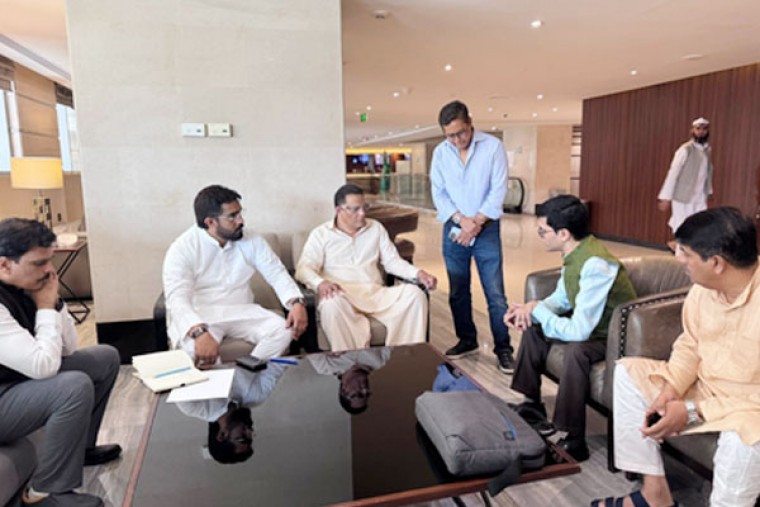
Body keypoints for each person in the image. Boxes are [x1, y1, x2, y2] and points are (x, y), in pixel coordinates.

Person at [594, 207, 760, 507]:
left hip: (749, 409)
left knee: (746, 439)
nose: (679, 259)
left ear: (716, 263)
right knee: (628, 373)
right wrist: (671, 389)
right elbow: (690, 345)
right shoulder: (703, 289)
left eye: (686, 253)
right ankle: (655, 493)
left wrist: (693, 411)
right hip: (705, 388)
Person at [0, 218, 121, 507]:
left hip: (14, 381)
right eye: (39, 263)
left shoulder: (25, 286)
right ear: (4, 265)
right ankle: (44, 493)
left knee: (103, 358)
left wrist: (54, 303)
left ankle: (80, 451)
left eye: (49, 261)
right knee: (72, 386)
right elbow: (43, 366)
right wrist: (44, 306)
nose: (49, 270)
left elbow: (69, 348)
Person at [506, 195, 637, 462]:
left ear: (563, 234)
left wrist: (538, 310)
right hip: (594, 328)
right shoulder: (575, 253)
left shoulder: (596, 264)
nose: (540, 236)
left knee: (578, 351)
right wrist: (531, 309)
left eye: (543, 231)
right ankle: (532, 406)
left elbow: (580, 332)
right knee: (534, 328)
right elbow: (562, 298)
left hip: (616, 337)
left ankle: (574, 439)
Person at [163, 185, 308, 368]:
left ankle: (246, 372)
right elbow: (177, 298)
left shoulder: (251, 239)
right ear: (210, 222)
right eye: (232, 216)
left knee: (283, 331)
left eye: (240, 213)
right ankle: (223, 382)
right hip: (201, 315)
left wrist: (296, 302)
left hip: (242, 310)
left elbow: (276, 272)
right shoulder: (182, 248)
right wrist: (198, 331)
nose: (241, 220)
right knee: (195, 350)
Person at [295, 184, 436, 351]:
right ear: (339, 210)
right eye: (356, 209)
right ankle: (351, 362)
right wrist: (320, 283)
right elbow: (303, 269)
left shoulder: (376, 228)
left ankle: (401, 356)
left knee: (415, 295)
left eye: (364, 207)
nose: (362, 213)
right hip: (342, 296)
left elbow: (392, 262)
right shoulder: (321, 234)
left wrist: (418, 273)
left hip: (375, 294)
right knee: (330, 304)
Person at [430, 100, 514, 373]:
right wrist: (461, 220)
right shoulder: (441, 153)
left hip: (486, 228)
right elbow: (439, 193)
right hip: (454, 227)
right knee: (458, 290)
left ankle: (504, 349)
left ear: (470, 123)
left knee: (495, 293)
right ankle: (467, 340)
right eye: (450, 136)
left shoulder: (492, 147)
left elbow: (498, 189)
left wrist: (476, 222)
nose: (456, 140)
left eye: (461, 133)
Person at [177, 362, 287, 464]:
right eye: (250, 437)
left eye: (242, 438)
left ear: (222, 435)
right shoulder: (257, 396)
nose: (249, 431)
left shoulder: (193, 406)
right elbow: (281, 361)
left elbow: (178, 365)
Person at [657, 117, 713, 252]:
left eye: (704, 129)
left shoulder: (707, 150)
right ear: (692, 130)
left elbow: (708, 172)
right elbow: (673, 173)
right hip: (682, 196)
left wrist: (709, 191)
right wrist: (666, 197)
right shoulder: (685, 150)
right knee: (681, 225)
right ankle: (679, 252)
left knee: (698, 226)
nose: (701, 132)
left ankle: (679, 248)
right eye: (698, 129)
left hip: (699, 196)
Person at [307, 347, 391, 414]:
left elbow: (308, 344)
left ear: (344, 391)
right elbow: (393, 335)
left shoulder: (325, 367)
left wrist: (327, 349)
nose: (365, 389)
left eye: (359, 394)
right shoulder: (379, 361)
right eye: (367, 394)